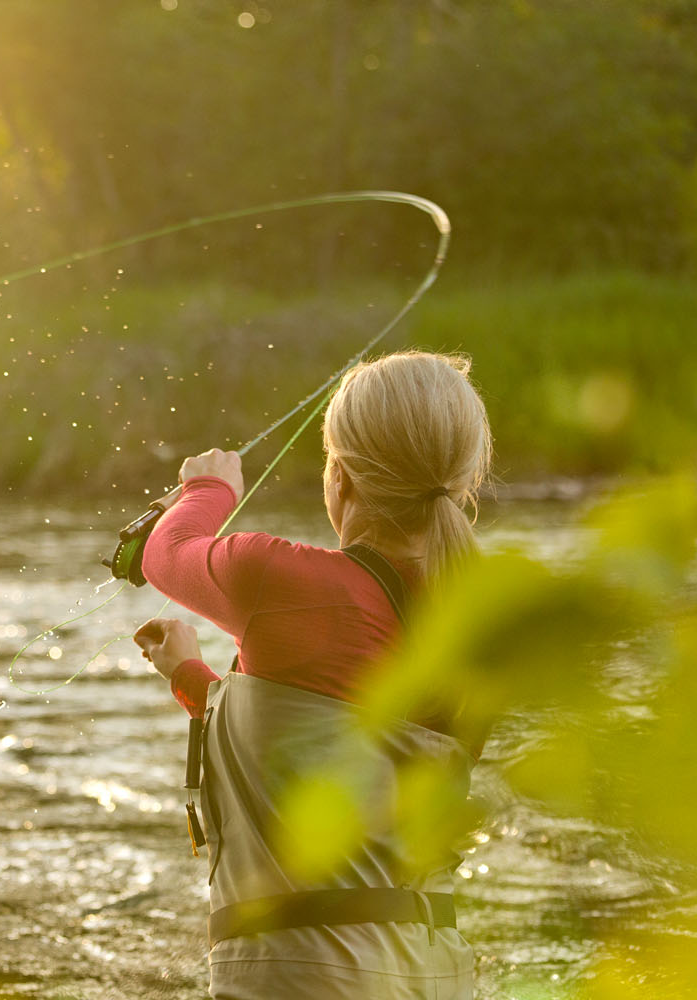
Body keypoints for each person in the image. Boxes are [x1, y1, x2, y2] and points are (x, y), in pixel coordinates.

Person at [133, 351, 492, 999]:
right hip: (435, 976)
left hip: (306, 979)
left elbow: (165, 554)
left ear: (341, 478)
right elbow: (338, 753)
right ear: (464, 479)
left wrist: (208, 488)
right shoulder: (478, 626)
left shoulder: (282, 580)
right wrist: (191, 677)